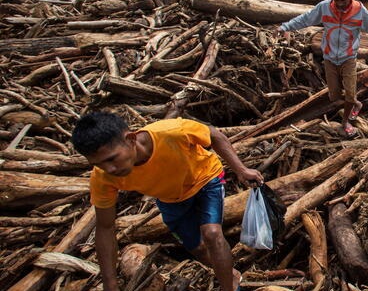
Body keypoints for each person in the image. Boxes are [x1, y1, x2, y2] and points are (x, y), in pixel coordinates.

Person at [71, 112, 264, 291]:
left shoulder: (171, 133)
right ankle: (230, 274)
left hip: (205, 178)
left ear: (131, 139)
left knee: (212, 233)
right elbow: (105, 227)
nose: (109, 169)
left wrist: (241, 170)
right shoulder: (103, 177)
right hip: (170, 198)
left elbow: (214, 135)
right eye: (98, 164)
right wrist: (110, 283)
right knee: (197, 248)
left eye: (112, 159)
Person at [279, 0, 368, 137]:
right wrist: (285, 27)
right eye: (336, 0)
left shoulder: (359, 11)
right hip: (329, 58)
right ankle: (356, 104)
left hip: (348, 58)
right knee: (334, 96)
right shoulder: (324, 7)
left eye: (343, 0)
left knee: (349, 93)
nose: (340, 4)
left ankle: (345, 121)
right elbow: (305, 19)